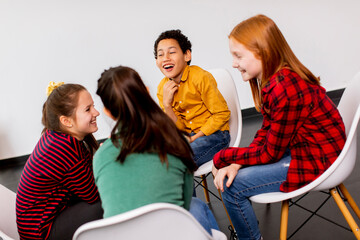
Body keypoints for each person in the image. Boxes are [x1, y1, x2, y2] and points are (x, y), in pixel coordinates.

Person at [212, 14, 346, 240]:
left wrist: (223, 157)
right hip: (307, 147)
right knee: (237, 169)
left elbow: (269, 153)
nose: (234, 63)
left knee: (233, 188)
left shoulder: (284, 87)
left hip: (319, 158)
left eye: (238, 56)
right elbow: (267, 130)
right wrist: (235, 161)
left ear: (262, 52)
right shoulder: (277, 79)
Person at [94, 65, 219, 235]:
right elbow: (185, 200)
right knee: (197, 205)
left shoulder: (100, 156)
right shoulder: (175, 140)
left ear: (107, 112)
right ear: (146, 91)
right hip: (171, 234)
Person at [16, 82, 103, 240]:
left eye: (93, 106)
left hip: (41, 224)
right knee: (107, 202)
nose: (96, 112)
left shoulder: (56, 136)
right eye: (88, 109)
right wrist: (105, 160)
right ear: (66, 121)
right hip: (42, 233)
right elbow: (93, 195)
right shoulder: (64, 146)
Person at [154, 29, 231, 167]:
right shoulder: (162, 89)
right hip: (188, 137)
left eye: (172, 52)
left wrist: (194, 137)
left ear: (186, 55)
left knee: (179, 161)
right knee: (160, 158)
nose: (165, 58)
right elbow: (178, 129)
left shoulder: (200, 77)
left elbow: (222, 113)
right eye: (160, 54)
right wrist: (167, 105)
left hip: (215, 135)